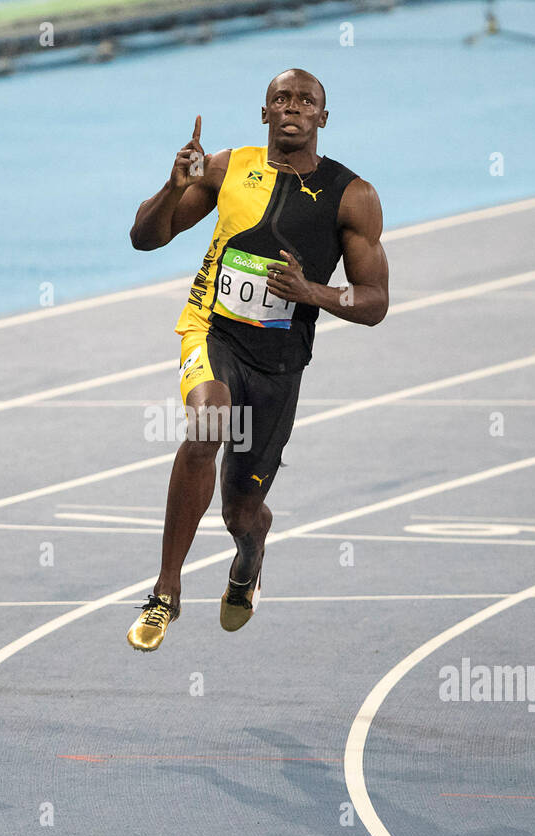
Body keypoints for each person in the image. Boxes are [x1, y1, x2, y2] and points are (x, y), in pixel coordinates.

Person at [125, 69, 389, 651]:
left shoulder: (353, 196)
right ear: (264, 112)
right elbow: (145, 238)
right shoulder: (224, 168)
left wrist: (312, 294)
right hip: (211, 332)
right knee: (207, 425)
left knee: (241, 509)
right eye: (280, 99)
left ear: (323, 117)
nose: (292, 107)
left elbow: (375, 303)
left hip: (279, 364)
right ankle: (166, 590)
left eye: (305, 101)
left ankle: (250, 552)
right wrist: (172, 187)